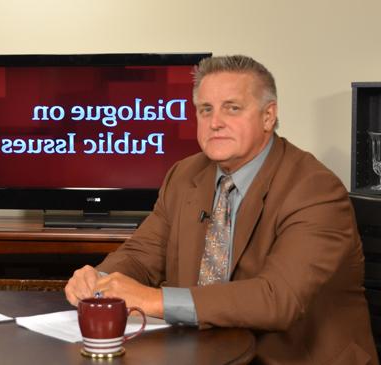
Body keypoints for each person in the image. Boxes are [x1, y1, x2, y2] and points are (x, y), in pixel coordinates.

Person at [65, 55, 378, 364]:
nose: (215, 123)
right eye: (205, 109)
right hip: (200, 352)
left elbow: (277, 299)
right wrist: (100, 279)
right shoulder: (184, 175)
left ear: (268, 116)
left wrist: (152, 299)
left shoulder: (314, 188)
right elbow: (141, 254)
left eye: (233, 108)